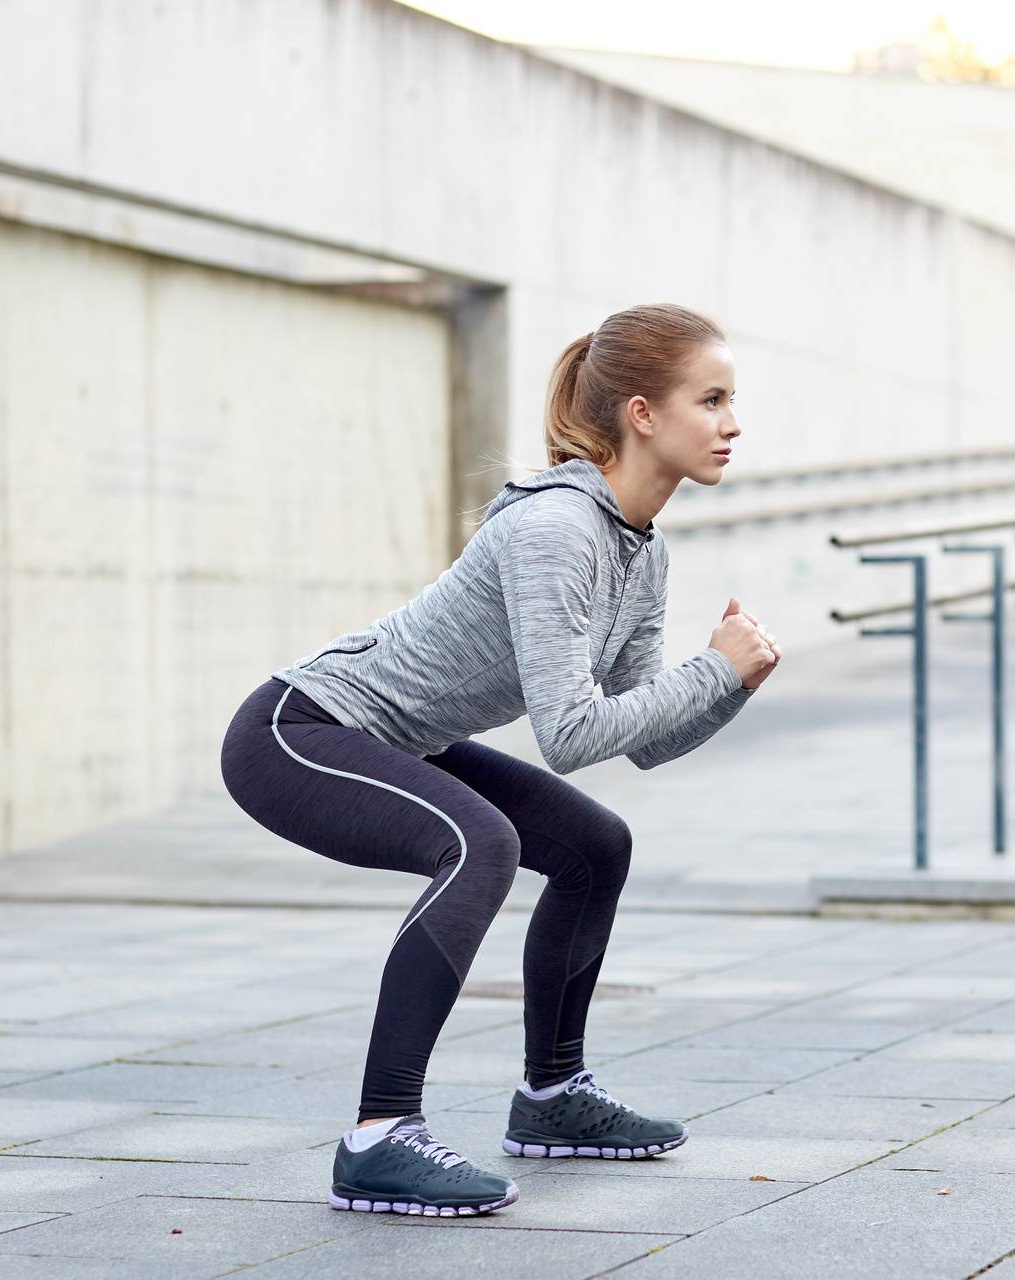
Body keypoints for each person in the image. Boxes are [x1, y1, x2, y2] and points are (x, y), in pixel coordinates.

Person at [218, 303, 780, 1219]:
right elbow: (569, 735)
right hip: (299, 730)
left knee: (597, 845)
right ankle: (379, 1136)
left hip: (396, 739)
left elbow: (643, 741)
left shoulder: (643, 549)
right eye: (710, 399)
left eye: (731, 400)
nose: (732, 422)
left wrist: (730, 686)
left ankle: (553, 1097)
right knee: (481, 843)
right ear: (642, 413)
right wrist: (713, 667)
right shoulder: (556, 529)